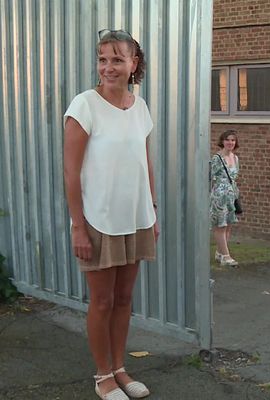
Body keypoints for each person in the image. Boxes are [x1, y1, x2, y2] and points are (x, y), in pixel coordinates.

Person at [63, 29, 156, 400]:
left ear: (134, 64)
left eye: (117, 59)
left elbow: (144, 162)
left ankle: (119, 367)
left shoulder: (141, 106)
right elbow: (71, 171)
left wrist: (152, 210)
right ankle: (102, 375)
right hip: (99, 221)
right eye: (103, 59)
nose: (108, 67)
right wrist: (78, 227)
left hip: (135, 219)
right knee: (101, 301)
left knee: (123, 299)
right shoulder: (84, 105)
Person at [211, 130, 241, 267]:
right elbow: (210, 176)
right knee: (220, 226)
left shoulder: (235, 158)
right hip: (219, 196)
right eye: (227, 140)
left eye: (233, 140)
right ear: (222, 141)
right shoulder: (217, 158)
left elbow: (234, 178)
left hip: (231, 196)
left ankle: (220, 252)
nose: (230, 143)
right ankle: (226, 256)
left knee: (228, 225)